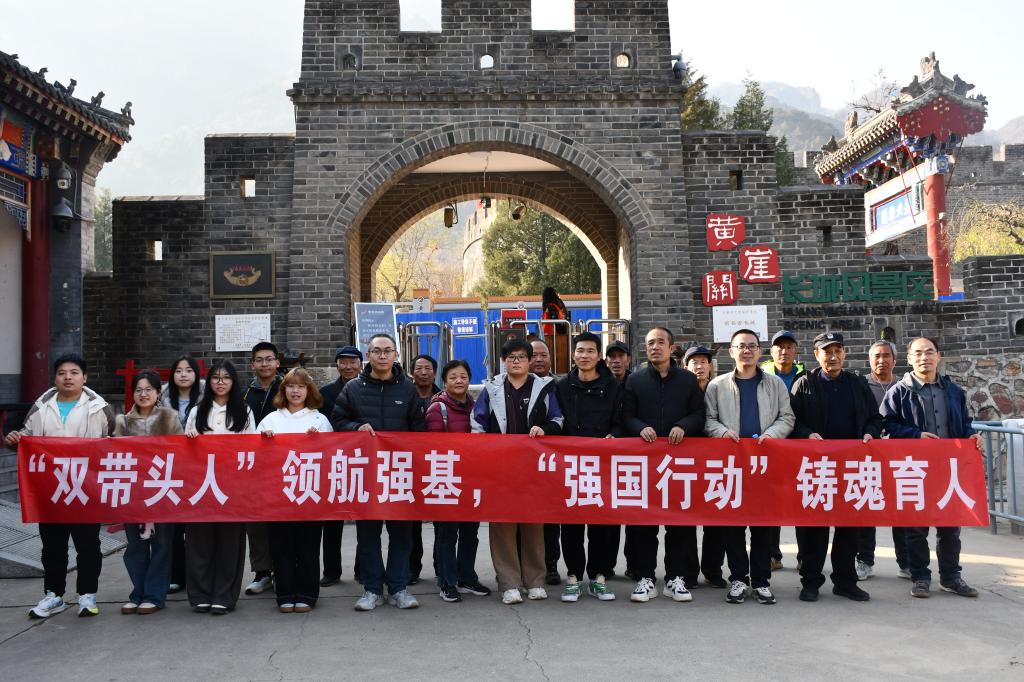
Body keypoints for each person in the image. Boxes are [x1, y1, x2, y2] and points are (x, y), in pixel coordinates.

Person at [6, 353, 113, 619]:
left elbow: (113, 441)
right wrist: (15, 439)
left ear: (84, 377)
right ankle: (54, 595)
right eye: (62, 373)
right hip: (51, 490)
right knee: (53, 546)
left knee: (88, 545)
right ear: (55, 378)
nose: (68, 378)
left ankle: (87, 595)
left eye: (74, 373)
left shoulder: (100, 408)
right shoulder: (41, 407)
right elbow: (26, 438)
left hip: (85, 488)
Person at [880, 336, 982, 599]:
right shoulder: (899, 392)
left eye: (929, 352)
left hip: (949, 469)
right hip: (914, 469)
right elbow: (886, 426)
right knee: (916, 528)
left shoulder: (953, 391)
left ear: (938, 356)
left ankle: (951, 577)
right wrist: (915, 435)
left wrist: (971, 436)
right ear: (909, 359)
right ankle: (920, 577)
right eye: (918, 353)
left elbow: (965, 423)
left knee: (950, 527)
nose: (924, 357)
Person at [332, 333, 425, 611]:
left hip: (399, 473)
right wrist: (355, 427)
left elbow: (419, 429)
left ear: (396, 355)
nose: (382, 355)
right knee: (367, 535)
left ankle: (398, 588)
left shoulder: (408, 389)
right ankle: (371, 589)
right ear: (368, 355)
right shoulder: (353, 389)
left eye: (387, 351)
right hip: (365, 473)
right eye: (376, 351)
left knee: (401, 534)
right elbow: (338, 420)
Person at [705, 329, 795, 605]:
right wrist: (722, 432)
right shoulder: (717, 386)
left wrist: (771, 435)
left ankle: (761, 581)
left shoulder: (775, 384)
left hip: (765, 464)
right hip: (732, 465)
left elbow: (787, 417)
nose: (747, 350)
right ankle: (738, 579)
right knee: (733, 527)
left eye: (752, 346)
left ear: (760, 351)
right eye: (741, 346)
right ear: (731, 351)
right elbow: (708, 420)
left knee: (763, 526)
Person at [472, 338, 564, 605]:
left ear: (529, 360)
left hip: (534, 469)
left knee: (533, 524)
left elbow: (558, 419)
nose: (516, 361)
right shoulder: (492, 389)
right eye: (511, 357)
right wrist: (487, 451)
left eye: (521, 357)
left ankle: (535, 581)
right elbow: (477, 424)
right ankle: (509, 583)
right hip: (500, 469)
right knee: (503, 525)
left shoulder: (543, 387)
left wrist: (544, 429)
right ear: (503, 361)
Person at [790, 332, 879, 602]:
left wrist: (870, 432)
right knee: (814, 528)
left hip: (851, 466)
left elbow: (874, 418)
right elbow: (791, 420)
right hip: (817, 467)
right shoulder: (804, 383)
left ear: (844, 353)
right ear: (816, 355)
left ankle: (845, 581)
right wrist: (806, 434)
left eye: (837, 351)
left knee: (849, 527)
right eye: (827, 351)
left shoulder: (857, 383)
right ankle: (811, 582)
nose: (833, 356)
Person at [621, 327, 706, 604]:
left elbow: (699, 414)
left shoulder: (687, 380)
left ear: (671, 348)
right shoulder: (635, 380)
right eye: (650, 343)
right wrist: (640, 427)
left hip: (678, 462)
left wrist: (683, 426)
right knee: (644, 524)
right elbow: (626, 416)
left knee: (678, 524)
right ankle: (645, 577)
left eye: (660, 342)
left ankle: (675, 578)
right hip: (645, 463)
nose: (655, 347)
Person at [554, 332, 623, 602]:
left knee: (600, 525)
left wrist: (614, 435)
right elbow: (556, 420)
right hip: (571, 465)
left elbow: (620, 419)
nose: (584, 355)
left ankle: (598, 578)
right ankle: (573, 577)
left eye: (590, 351)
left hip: (602, 464)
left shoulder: (613, 386)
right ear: (573, 355)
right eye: (580, 351)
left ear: (599, 356)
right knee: (571, 525)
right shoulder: (561, 386)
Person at [257, 368, 332, 613]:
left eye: (301, 386)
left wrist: (318, 440)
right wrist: (264, 440)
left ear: (309, 391)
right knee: (281, 547)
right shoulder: (271, 419)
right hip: (278, 494)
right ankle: (285, 593)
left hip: (310, 492)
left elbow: (332, 455)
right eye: (291, 386)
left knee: (308, 546)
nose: (296, 391)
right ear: (283, 390)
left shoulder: (319, 420)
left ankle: (308, 593)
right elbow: (255, 455)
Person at [184, 360, 256, 615]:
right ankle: (200, 594)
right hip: (201, 485)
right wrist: (190, 440)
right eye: (215, 377)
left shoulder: (244, 411)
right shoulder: (197, 411)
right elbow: (185, 451)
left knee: (230, 542)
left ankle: (224, 595)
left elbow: (250, 450)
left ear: (234, 381)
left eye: (226, 377)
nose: (221, 382)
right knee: (199, 542)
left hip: (232, 486)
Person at [114, 370, 184, 614]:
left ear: (157, 393)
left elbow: (180, 451)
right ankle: (137, 593)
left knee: (162, 545)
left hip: (162, 489)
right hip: (133, 492)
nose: (143, 394)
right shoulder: (123, 421)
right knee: (135, 546)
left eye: (148, 390)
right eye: (138, 390)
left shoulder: (169, 417)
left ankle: (154, 595)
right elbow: (116, 456)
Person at [425, 359, 492, 602]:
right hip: (446, 478)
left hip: (471, 479)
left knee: (470, 532)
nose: (459, 381)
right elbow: (432, 447)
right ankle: (447, 581)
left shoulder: (477, 407)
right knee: (447, 533)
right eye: (453, 377)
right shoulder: (437, 409)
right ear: (444, 381)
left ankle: (467, 577)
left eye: (463, 376)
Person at [856, 340, 908, 580]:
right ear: (869, 360)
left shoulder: (904, 386)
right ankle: (864, 560)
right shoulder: (861, 386)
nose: (881, 360)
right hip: (868, 457)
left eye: (886, 355)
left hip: (898, 458)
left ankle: (905, 562)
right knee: (867, 509)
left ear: (894, 360)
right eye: (877, 356)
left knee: (901, 510)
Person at [317, 345, 363, 587]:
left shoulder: (368, 389)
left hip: (363, 461)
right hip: (333, 461)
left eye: (353, 362)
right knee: (332, 520)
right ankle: (331, 570)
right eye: (343, 362)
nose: (348, 366)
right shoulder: (324, 393)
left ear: (361, 365)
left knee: (365, 518)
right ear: (337, 365)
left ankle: (362, 569)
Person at [759, 329, 805, 570]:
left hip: (799, 447)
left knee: (802, 502)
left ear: (795, 351)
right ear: (771, 351)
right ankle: (772, 555)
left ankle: (804, 556)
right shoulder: (761, 374)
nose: (784, 351)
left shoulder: (805, 376)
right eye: (779, 347)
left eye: (789, 347)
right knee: (771, 502)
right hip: (771, 446)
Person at [160, 354, 205, 593]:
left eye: (188, 370)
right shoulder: (161, 400)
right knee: (173, 527)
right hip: (171, 470)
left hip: (200, 471)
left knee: (197, 527)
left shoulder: (207, 399)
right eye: (179, 371)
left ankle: (198, 575)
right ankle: (175, 575)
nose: (184, 375)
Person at [684, 344, 727, 589]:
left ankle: (713, 570)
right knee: (686, 521)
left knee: (716, 520)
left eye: (703, 362)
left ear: (710, 366)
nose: (699, 367)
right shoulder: (681, 391)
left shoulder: (720, 389)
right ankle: (689, 572)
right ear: (686, 366)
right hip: (687, 464)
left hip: (716, 464)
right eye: (694, 362)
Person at [242, 341, 282, 596]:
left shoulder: (288, 387)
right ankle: (262, 572)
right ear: (253, 365)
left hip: (283, 465)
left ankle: (283, 569)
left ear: (277, 362)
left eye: (269, 359)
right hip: (252, 466)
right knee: (256, 522)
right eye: (259, 360)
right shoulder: (244, 393)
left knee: (281, 521)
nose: (264, 364)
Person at [529, 338, 562, 585]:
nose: (539, 360)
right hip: (522, 463)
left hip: (552, 463)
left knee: (551, 518)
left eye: (543, 355)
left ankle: (550, 565)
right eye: (533, 356)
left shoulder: (558, 386)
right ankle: (524, 565)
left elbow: (560, 419)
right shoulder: (509, 385)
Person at [408, 353, 441, 586]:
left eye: (428, 368)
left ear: (435, 372)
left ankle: (441, 568)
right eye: (419, 368)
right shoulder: (404, 396)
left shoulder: (443, 398)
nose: (423, 372)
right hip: (409, 466)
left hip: (438, 466)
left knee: (442, 522)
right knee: (411, 523)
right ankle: (412, 569)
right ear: (412, 373)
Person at [604, 339, 631, 576]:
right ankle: (607, 566)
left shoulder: (638, 382)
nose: (616, 361)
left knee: (634, 513)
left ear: (628, 360)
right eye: (611, 357)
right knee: (608, 514)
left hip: (633, 457)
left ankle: (634, 565)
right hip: (605, 458)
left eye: (620, 356)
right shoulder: (601, 382)